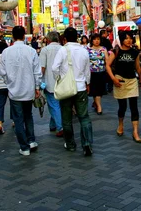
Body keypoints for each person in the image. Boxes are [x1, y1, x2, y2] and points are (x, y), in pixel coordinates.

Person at [0, 26, 41, 157]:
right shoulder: (31, 51)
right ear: (24, 36)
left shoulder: (6, 52)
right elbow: (37, 71)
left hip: (14, 91)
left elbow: (2, 72)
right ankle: (31, 140)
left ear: (12, 36)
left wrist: (9, 83)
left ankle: (24, 147)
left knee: (18, 119)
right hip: (29, 89)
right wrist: (37, 87)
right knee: (28, 115)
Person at [52, 27, 93, 156]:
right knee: (84, 117)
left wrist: (59, 78)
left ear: (64, 38)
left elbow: (54, 68)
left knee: (67, 118)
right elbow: (87, 70)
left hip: (66, 89)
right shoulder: (84, 51)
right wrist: (88, 83)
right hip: (81, 87)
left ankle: (70, 144)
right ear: (77, 37)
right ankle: (87, 144)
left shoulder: (63, 50)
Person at [106, 31, 141, 143]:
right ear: (122, 40)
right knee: (122, 107)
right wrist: (113, 79)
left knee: (134, 106)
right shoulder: (116, 51)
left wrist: (140, 78)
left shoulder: (135, 52)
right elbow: (107, 65)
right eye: (126, 38)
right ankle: (120, 125)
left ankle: (135, 132)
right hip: (120, 80)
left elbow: (137, 66)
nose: (129, 40)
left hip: (132, 81)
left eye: (130, 38)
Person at [39, 31, 63, 137]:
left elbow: (42, 68)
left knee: (53, 105)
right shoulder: (63, 49)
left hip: (49, 82)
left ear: (48, 40)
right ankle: (53, 124)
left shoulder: (45, 50)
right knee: (57, 105)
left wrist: (38, 82)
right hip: (62, 82)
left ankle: (59, 127)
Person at [87, 33, 107, 115]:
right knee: (95, 90)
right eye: (94, 39)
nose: (96, 41)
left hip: (101, 72)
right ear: (91, 40)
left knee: (99, 90)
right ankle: (99, 106)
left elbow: (107, 60)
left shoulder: (103, 49)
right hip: (92, 73)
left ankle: (96, 103)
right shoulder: (88, 50)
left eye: (98, 39)